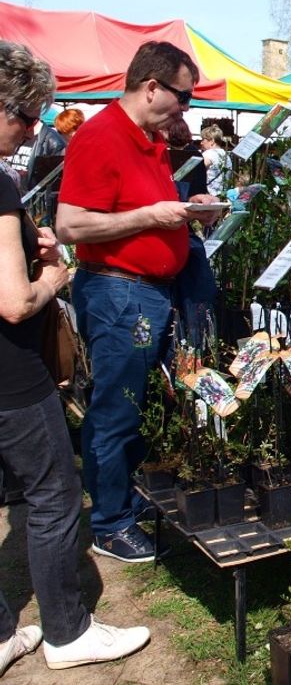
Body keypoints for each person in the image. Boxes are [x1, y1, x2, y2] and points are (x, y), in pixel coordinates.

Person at [0, 41, 150, 675]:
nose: (34, 128)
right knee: (56, 494)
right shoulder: (2, 187)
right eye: (27, 115)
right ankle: (67, 630)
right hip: (11, 376)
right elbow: (13, 303)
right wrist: (53, 277)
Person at [56, 41, 221, 564]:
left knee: (134, 405)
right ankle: (109, 523)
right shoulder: (101, 135)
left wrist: (189, 209)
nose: (186, 108)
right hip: (117, 292)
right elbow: (70, 224)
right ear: (152, 87)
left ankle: (124, 501)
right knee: (116, 410)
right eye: (183, 96)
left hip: (147, 291)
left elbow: (145, 206)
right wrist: (152, 217)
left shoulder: (147, 139)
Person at [199, 124, 232, 195]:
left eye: (203, 139)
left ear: (212, 141)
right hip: (223, 195)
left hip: (209, 196)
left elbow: (196, 170)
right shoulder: (226, 155)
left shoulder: (208, 154)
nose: (201, 143)